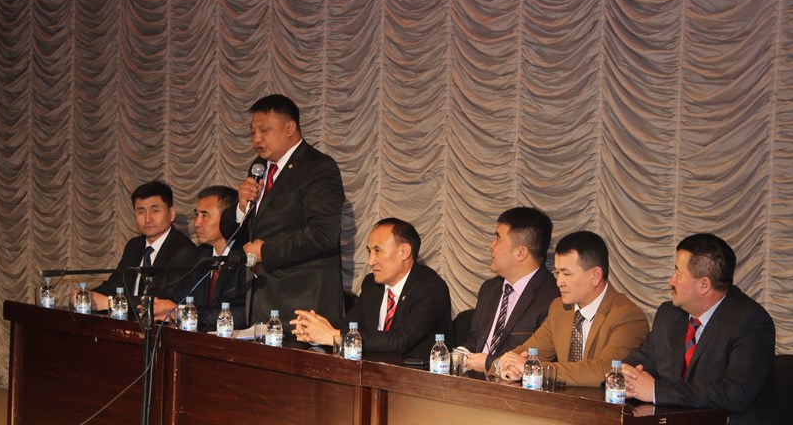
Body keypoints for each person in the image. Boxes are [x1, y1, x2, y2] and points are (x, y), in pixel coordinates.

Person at [621, 234, 793, 425]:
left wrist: (656, 390)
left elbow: (734, 393)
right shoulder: (669, 315)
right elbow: (636, 362)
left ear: (704, 284)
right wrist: (625, 376)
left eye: (678, 272)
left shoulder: (750, 322)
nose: (671, 281)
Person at [220, 94, 345, 329]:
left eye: (264, 130)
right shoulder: (258, 168)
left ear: (290, 128)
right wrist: (240, 206)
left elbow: (323, 235)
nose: (257, 139)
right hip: (260, 302)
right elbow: (231, 232)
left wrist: (266, 252)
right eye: (252, 132)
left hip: (303, 305)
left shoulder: (318, 167)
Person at [494, 231, 648, 386]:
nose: (559, 282)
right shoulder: (559, 309)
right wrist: (507, 364)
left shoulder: (628, 317)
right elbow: (527, 352)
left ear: (595, 275)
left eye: (566, 274)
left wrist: (534, 369)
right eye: (557, 273)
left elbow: (606, 371)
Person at [291, 218, 451, 358]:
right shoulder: (371, 285)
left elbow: (399, 340)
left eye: (377, 251)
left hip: (417, 377)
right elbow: (350, 325)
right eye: (369, 251)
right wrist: (314, 330)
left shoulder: (431, 289)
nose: (370, 261)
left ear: (404, 251)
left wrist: (333, 336)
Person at [461, 207, 560, 373]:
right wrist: (458, 356)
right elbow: (474, 339)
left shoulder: (553, 298)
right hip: (473, 380)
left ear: (521, 253)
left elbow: (537, 361)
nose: (491, 246)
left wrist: (489, 363)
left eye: (497, 239)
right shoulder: (490, 288)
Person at [91, 181, 198, 311]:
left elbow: (162, 301)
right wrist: (88, 296)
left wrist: (112, 303)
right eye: (141, 212)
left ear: (171, 213)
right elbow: (115, 286)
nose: (147, 219)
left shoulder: (184, 250)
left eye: (155, 211)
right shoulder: (133, 245)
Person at [152, 186, 247, 330]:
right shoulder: (199, 255)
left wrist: (185, 313)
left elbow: (243, 314)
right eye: (196, 215)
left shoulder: (246, 258)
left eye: (205, 215)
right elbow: (179, 298)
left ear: (228, 218)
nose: (197, 223)